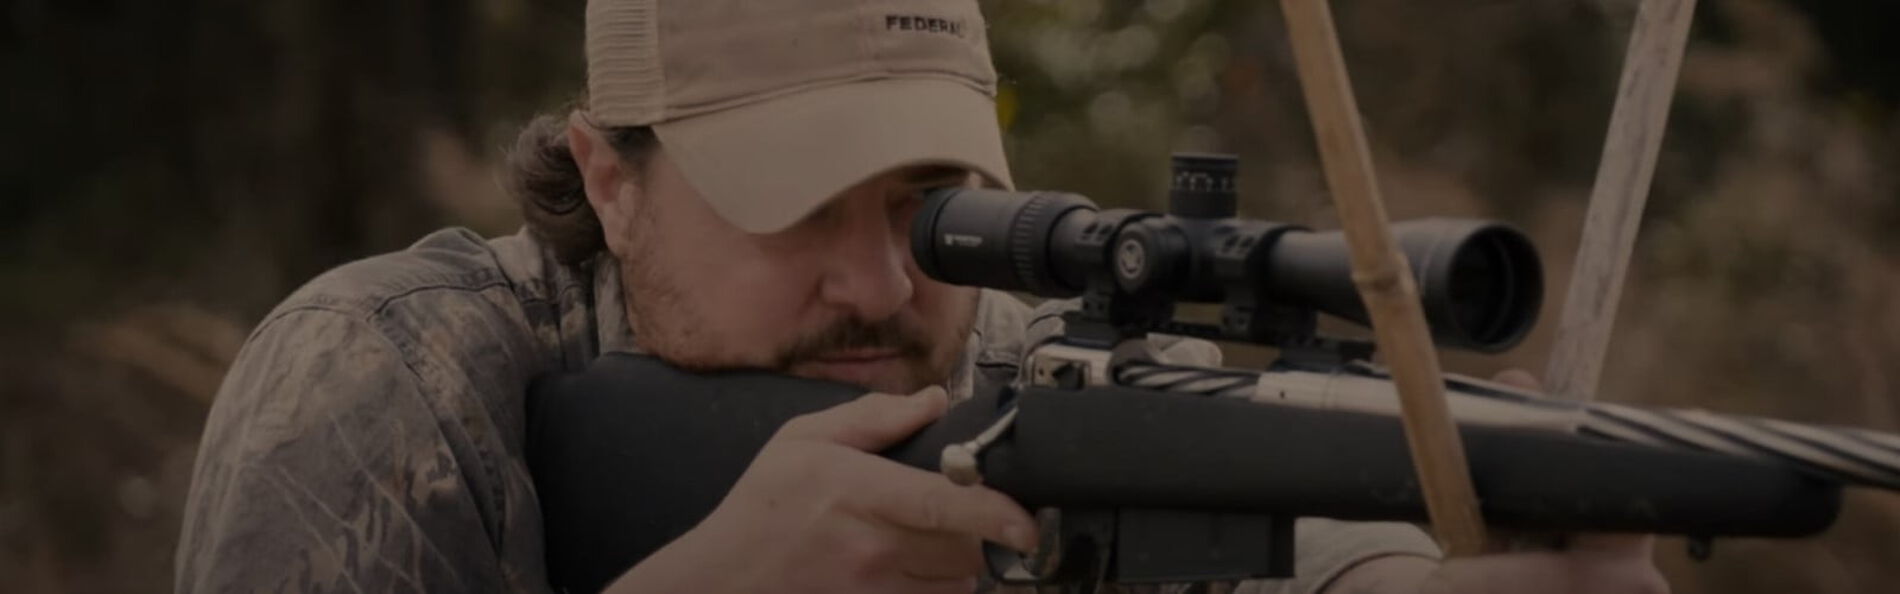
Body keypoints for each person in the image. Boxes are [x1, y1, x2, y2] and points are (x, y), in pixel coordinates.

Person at [175, 0, 1669, 592]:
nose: (886, 284)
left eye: (931, 208)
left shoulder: (1034, 374)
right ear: (607, 178)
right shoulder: (381, 382)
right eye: (799, 211)